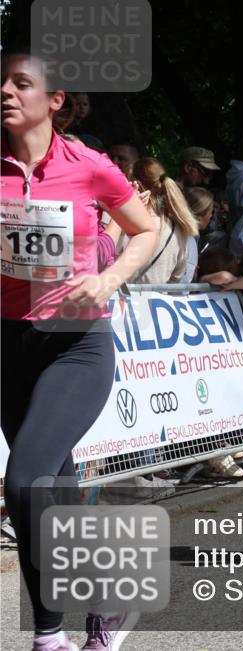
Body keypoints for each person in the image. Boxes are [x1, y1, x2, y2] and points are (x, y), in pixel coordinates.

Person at [2, 51, 159, 651]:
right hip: (7, 343)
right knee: (57, 486)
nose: (8, 94)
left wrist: (109, 278)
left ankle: (49, 638)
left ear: (56, 98)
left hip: (76, 345)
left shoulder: (91, 167)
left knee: (27, 483)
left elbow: (146, 231)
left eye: (22, 84)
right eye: (1, 85)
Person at [127, 158, 199, 284]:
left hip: (116, 302)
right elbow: (177, 277)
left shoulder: (115, 224)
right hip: (155, 302)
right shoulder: (178, 230)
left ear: (136, 185)